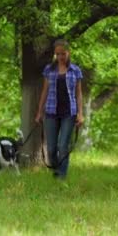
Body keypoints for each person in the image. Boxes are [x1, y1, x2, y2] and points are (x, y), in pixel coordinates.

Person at [35, 39, 84, 179]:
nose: (60, 57)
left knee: (63, 146)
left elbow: (78, 94)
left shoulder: (75, 70)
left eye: (63, 54)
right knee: (51, 149)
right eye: (57, 54)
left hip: (69, 113)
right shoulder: (49, 70)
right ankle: (57, 169)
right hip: (51, 112)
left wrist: (80, 114)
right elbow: (44, 91)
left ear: (68, 53)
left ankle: (61, 176)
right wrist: (39, 112)